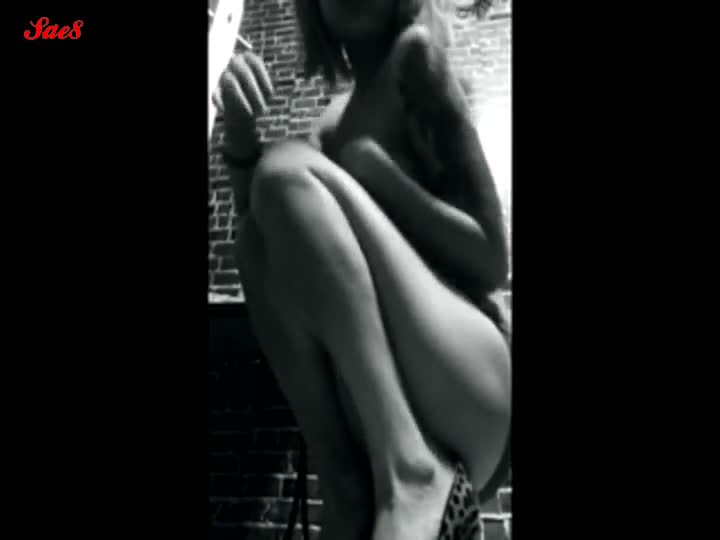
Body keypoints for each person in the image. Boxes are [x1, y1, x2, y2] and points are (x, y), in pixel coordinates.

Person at [216, 1, 510, 538]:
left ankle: (412, 469)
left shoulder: (414, 57)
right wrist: (238, 140)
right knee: (252, 242)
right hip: (393, 404)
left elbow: (492, 258)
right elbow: (273, 253)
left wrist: (379, 175)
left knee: (282, 171)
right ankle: (344, 488)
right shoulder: (328, 124)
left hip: (472, 378)